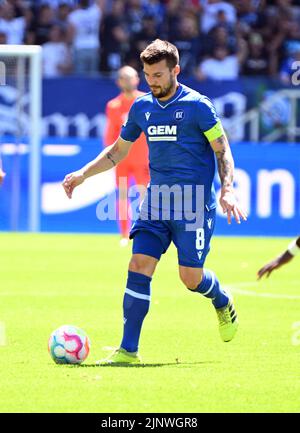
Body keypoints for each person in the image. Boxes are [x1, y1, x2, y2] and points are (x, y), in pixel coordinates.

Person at [62, 39, 247, 365]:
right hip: (157, 203)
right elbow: (118, 151)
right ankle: (128, 351)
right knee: (138, 266)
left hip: (193, 205)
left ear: (175, 70)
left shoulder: (198, 106)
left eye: (159, 74)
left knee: (190, 278)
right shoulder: (141, 108)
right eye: (148, 75)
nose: (152, 81)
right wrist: (82, 174)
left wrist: (227, 188)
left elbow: (222, 149)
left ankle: (221, 300)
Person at [104, 66, 149, 246]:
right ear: (119, 81)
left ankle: (146, 232)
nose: (128, 81)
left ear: (137, 79)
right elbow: (111, 134)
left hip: (143, 158)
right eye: (124, 78)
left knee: (145, 196)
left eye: (131, 77)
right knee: (122, 195)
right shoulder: (113, 106)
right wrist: (110, 156)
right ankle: (124, 235)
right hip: (122, 159)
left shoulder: (146, 101)